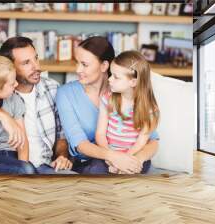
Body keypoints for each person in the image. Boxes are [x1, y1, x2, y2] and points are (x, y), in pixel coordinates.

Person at [56, 36, 160, 174]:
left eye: (84, 64)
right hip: (92, 163)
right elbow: (79, 144)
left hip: (130, 158)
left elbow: (152, 141)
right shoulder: (65, 94)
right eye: (77, 63)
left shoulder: (122, 91)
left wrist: (134, 161)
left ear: (104, 66)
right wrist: (114, 158)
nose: (77, 69)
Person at [0, 36, 74, 174]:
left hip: (46, 166)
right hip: (9, 164)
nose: (37, 67)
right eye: (26, 63)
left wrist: (62, 157)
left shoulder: (52, 88)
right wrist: (4, 117)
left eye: (36, 58)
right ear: (10, 67)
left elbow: (61, 135)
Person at [95, 51, 160, 174]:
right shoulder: (107, 99)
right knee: (95, 169)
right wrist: (111, 158)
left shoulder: (149, 109)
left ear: (133, 82)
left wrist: (125, 160)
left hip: (134, 155)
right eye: (111, 74)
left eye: (116, 77)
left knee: (131, 173)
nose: (109, 79)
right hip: (109, 153)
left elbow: (141, 142)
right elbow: (100, 134)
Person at [0, 55, 35, 174]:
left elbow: (22, 142)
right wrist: (5, 117)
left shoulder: (14, 100)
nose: (16, 84)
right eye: (12, 83)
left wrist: (24, 164)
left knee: (29, 169)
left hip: (10, 155)